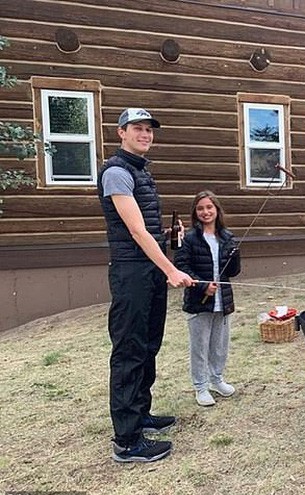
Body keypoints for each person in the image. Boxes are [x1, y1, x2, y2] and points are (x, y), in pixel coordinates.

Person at [98, 108, 194, 462]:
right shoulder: (117, 173)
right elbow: (136, 231)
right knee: (129, 350)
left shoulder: (140, 171)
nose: (145, 134)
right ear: (121, 133)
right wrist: (171, 269)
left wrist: (167, 235)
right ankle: (127, 442)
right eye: (137, 128)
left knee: (148, 344)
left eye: (149, 129)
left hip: (148, 269)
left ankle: (140, 414)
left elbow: (145, 228)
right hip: (131, 273)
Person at [174, 190, 241, 407]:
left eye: (209, 207)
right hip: (199, 302)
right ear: (195, 212)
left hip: (223, 301)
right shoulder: (190, 239)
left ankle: (216, 379)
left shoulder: (227, 236)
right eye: (200, 208)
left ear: (217, 210)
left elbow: (233, 271)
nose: (206, 212)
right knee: (200, 347)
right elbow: (182, 267)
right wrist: (203, 286)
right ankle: (201, 387)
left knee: (219, 345)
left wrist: (234, 256)